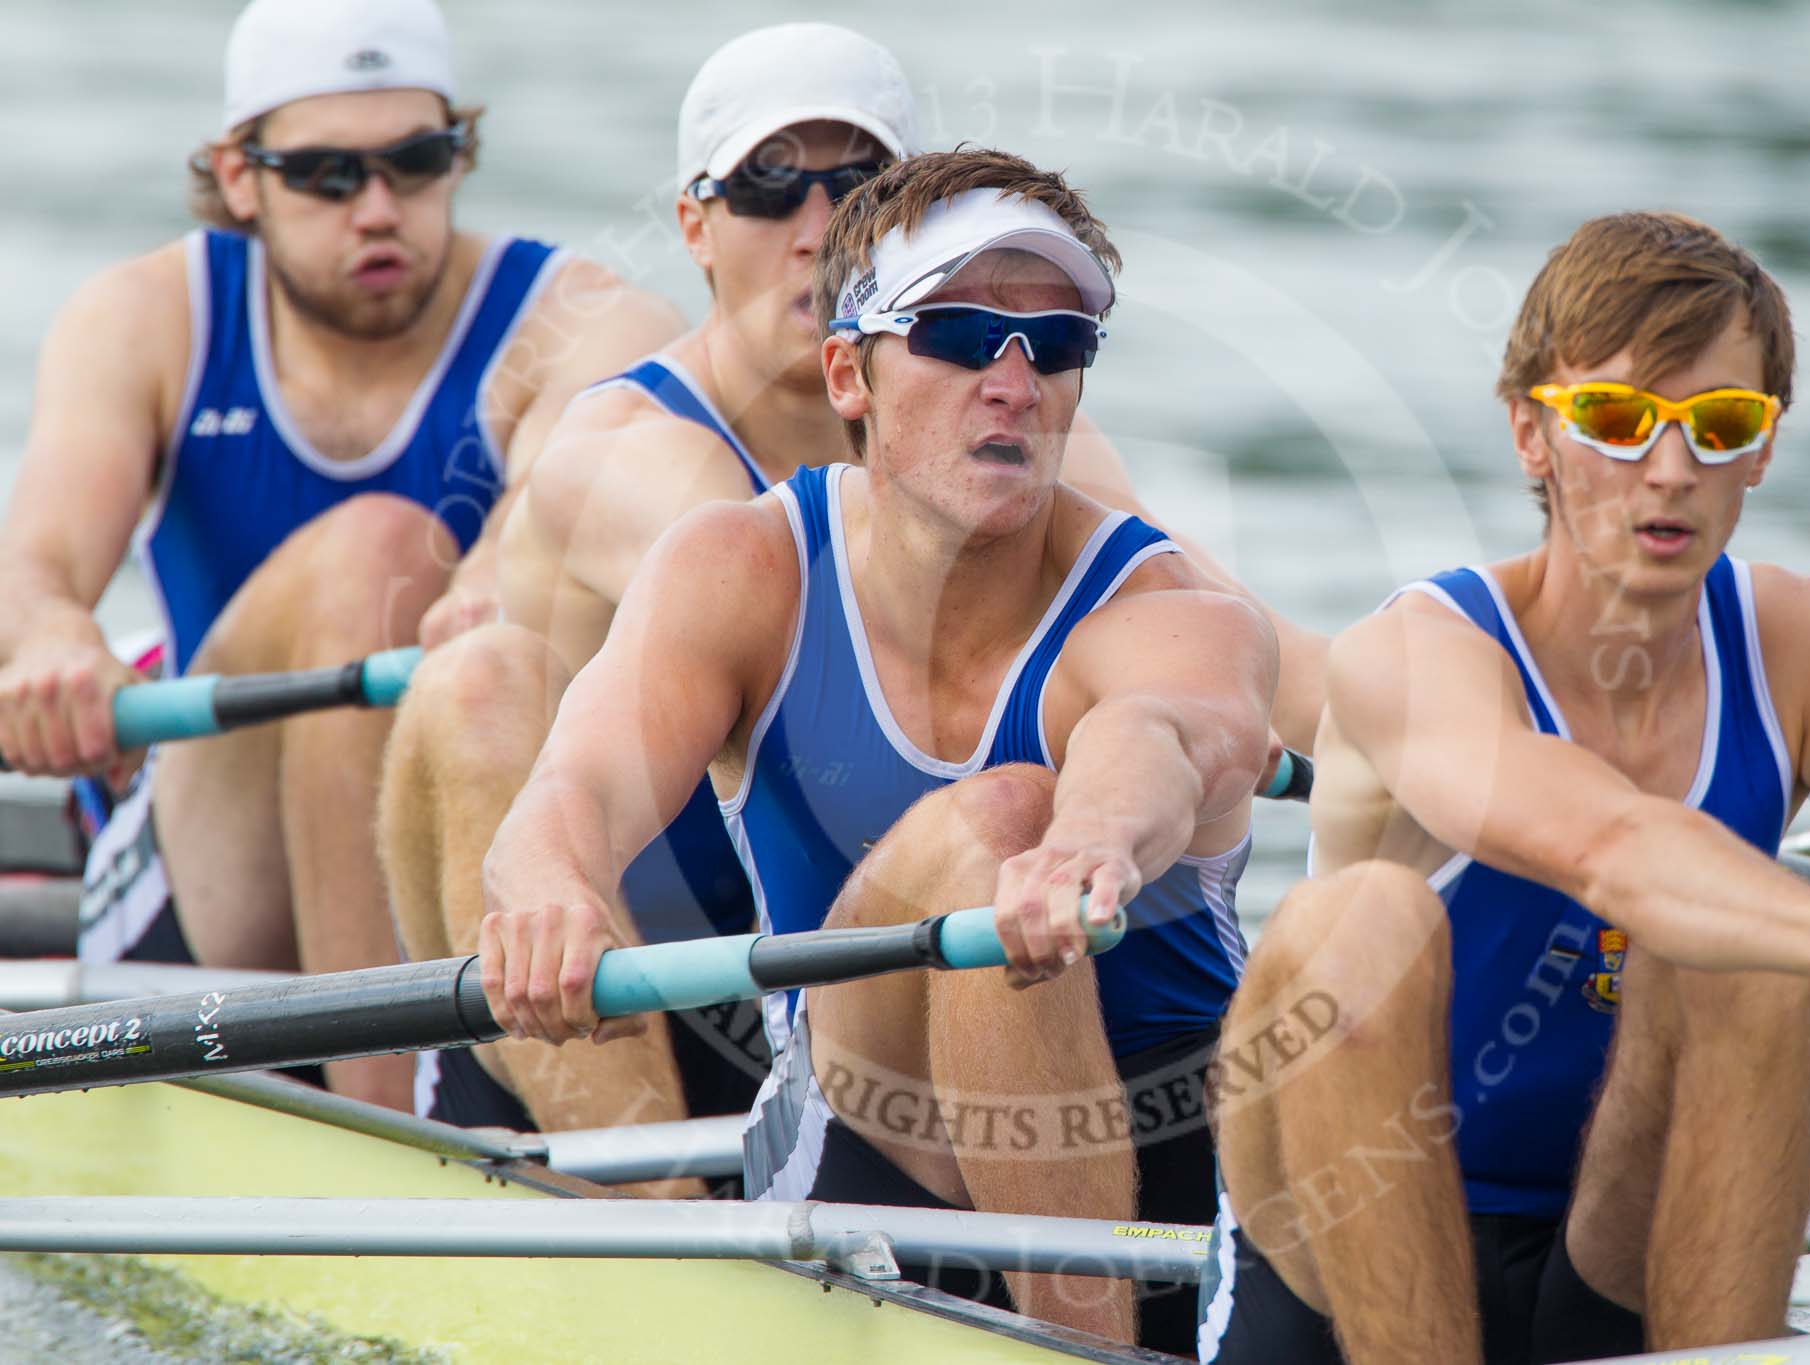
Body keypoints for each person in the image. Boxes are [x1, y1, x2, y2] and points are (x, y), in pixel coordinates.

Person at [1195, 211, 1810, 1364]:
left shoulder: (1800, 645)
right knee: (1359, 919)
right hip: (1340, 1238)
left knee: (1749, 957)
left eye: (1720, 425)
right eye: (1616, 421)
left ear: (1765, 447)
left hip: (1616, 1224)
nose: (1671, 470)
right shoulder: (1416, 650)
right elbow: (1605, 846)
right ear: (1529, 437)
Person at [474, 150, 1276, 1349]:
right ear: (848, 371)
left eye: (1052, 344)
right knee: (997, 819)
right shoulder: (740, 571)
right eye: (959, 333)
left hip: (1175, 1157)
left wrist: (1094, 841)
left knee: (1028, 820)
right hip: (874, 1143)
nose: (1011, 380)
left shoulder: (1173, 612)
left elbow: (1153, 734)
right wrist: (547, 891)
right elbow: (571, 787)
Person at [0, 0, 677, 1107]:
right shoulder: (145, 319)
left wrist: (491, 577)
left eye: (416, 162)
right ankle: (380, 1123)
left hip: (460, 832)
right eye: (324, 174)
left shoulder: (592, 324)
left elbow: (553, 524)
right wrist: (56, 646)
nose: (378, 210)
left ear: (459, 152)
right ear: (237, 176)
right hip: (205, 876)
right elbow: (33, 574)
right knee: (373, 555)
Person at [379, 21, 918, 1170]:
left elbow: (1208, 625)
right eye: (770, 187)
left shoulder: (992, 419)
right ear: (696, 227)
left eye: (859, 186)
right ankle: (660, 1221)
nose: (817, 232)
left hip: (806, 985)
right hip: (583, 995)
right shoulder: (631, 444)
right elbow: (781, 606)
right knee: (476, 681)